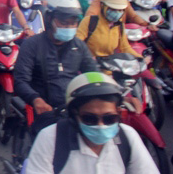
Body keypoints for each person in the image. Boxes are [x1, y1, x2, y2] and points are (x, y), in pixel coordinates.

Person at [26, 72, 159, 174]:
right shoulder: (50, 138)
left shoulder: (128, 136)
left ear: (118, 113)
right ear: (73, 115)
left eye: (109, 119)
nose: (100, 125)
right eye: (89, 119)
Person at [14, 0, 98, 136]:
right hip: (45, 110)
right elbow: (21, 80)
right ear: (49, 19)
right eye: (64, 23)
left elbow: (93, 75)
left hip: (74, 109)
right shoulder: (32, 45)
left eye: (73, 23)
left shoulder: (79, 46)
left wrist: (114, 94)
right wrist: (36, 99)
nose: (69, 27)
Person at [76, 0, 140, 57]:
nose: (117, 13)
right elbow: (77, 43)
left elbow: (125, 48)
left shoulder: (119, 25)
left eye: (120, 10)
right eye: (113, 9)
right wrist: (87, 58)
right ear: (103, 6)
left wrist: (140, 58)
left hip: (109, 64)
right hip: (90, 63)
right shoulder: (89, 21)